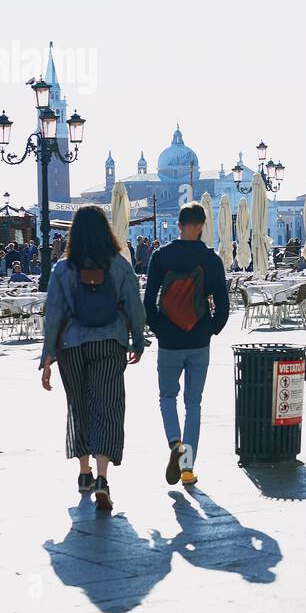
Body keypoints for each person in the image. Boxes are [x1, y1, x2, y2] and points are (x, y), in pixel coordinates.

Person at [39, 203, 146, 511]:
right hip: (109, 344)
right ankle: (102, 477)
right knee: (107, 407)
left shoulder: (62, 268)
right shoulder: (118, 264)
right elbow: (134, 306)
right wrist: (137, 340)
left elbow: (54, 315)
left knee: (79, 406)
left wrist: (47, 356)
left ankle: (83, 473)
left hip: (71, 347)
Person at [144, 202, 229, 488]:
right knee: (193, 403)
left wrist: (159, 328)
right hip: (198, 340)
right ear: (203, 225)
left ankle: (174, 442)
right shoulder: (211, 260)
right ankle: (188, 468)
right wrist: (210, 330)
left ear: (179, 225)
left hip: (169, 340)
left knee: (167, 396)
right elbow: (224, 304)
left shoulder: (161, 256)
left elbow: (148, 300)